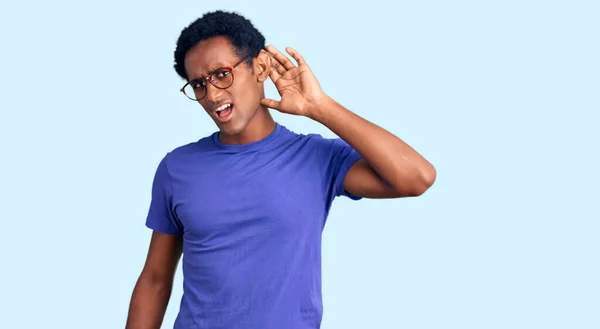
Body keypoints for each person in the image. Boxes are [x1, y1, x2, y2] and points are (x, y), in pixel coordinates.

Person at [125, 10, 436, 329]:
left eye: (221, 74)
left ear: (260, 67)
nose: (212, 94)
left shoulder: (316, 158)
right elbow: (154, 280)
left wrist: (320, 107)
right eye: (199, 84)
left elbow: (417, 177)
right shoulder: (177, 167)